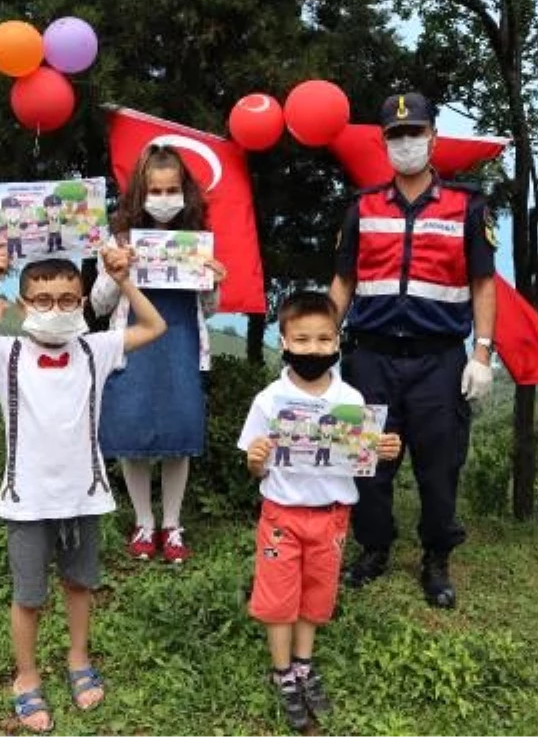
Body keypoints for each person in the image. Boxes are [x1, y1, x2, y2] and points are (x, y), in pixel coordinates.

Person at [0, 241, 165, 734]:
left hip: (84, 496)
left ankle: (79, 660)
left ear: (82, 304)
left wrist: (122, 279)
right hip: (26, 501)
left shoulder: (95, 349)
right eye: (41, 299)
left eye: (66, 299)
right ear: (23, 306)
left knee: (80, 584)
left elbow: (154, 327)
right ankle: (26, 676)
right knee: (29, 595)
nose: (54, 308)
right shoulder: (4, 352)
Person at [328, 91, 497, 608]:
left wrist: (483, 353)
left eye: (415, 133)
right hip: (370, 357)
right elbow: (342, 281)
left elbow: (484, 284)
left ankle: (436, 559)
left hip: (438, 360)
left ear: (433, 138)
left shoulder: (467, 207)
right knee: (367, 463)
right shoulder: (362, 207)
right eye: (396, 135)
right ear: (384, 143)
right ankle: (374, 549)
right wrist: (319, 343)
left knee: (438, 465)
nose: (406, 143)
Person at [238, 291, 401, 732]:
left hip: (332, 516)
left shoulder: (350, 399)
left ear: (338, 342)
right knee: (277, 597)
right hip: (281, 515)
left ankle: (304, 665)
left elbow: (361, 457)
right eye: (303, 339)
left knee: (317, 593)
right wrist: (256, 457)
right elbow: (255, 467)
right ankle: (282, 674)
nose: (313, 349)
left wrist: (383, 448)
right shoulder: (269, 399)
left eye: (323, 339)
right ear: (284, 341)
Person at [90, 145, 226, 564]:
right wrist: (117, 274)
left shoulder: (197, 241)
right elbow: (97, 304)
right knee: (133, 436)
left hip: (181, 343)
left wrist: (214, 281)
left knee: (178, 436)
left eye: (171, 190)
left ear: (184, 191)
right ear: (140, 192)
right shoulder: (118, 240)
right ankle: (144, 522)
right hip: (134, 345)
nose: (164, 198)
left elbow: (208, 309)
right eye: (156, 190)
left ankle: (172, 524)